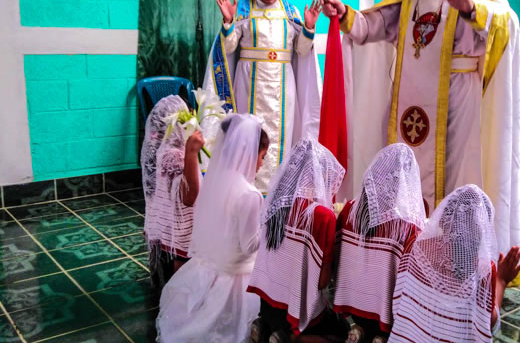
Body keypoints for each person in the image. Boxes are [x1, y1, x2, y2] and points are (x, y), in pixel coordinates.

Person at [322, 0, 520, 285]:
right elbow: (377, 24)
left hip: (456, 109)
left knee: (456, 184)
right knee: (403, 179)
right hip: (409, 106)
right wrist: (346, 15)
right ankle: (405, 257)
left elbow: (507, 22)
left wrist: (470, 8)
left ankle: (453, 270)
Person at [203, 0, 324, 194]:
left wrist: (308, 28)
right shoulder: (243, 10)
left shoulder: (290, 13)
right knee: (248, 137)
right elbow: (228, 48)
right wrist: (228, 23)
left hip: (283, 89)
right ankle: (244, 192)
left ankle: (277, 193)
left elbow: (302, 51)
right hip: (249, 86)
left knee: (282, 140)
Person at [157, 114, 271, 342]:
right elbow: (249, 246)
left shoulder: (218, 180)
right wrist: (272, 225)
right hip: (238, 276)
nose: (261, 164)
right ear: (248, 153)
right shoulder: (250, 194)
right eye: (262, 156)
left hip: (215, 267)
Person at [389, 184, 520, 342]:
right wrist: (501, 281)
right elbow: (487, 324)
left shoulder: (415, 247)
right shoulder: (483, 271)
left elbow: (399, 296)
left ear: (442, 220)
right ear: (484, 230)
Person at [247, 138, 347, 342]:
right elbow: (322, 281)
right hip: (298, 313)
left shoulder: (275, 204)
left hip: (267, 305)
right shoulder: (322, 216)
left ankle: (268, 329)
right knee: (342, 331)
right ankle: (292, 338)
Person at [332, 144, 426, 343]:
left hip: (349, 308)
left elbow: (336, 258)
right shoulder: (407, 226)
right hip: (384, 318)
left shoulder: (350, 210)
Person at [141, 95, 200, 288]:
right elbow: (189, 197)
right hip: (178, 238)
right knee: (180, 290)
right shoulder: (175, 156)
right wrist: (191, 153)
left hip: (162, 231)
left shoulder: (161, 151)